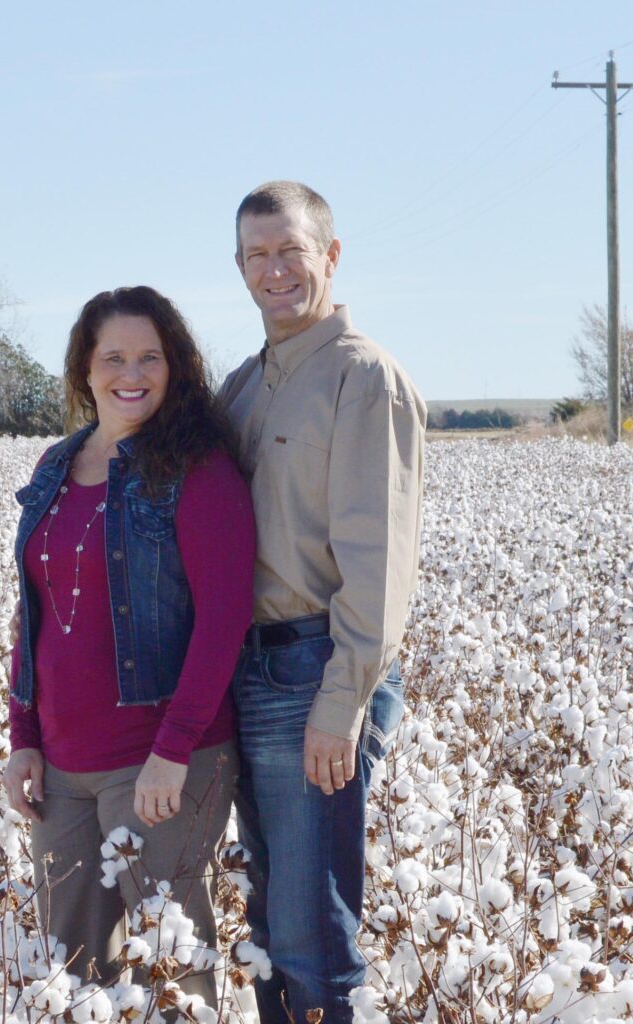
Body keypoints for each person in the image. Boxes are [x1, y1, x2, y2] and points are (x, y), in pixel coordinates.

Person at [2, 286, 255, 1001]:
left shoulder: (196, 468)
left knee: (171, 969)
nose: (131, 373)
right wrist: (23, 735)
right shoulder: (56, 463)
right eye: (113, 357)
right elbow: (34, 611)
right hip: (61, 766)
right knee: (70, 973)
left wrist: (173, 748)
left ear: (174, 367)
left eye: (150, 356)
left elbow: (223, 618)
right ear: (85, 368)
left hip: (158, 763)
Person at [218, 182, 426, 1024]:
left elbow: (379, 564)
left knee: (311, 935)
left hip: (316, 674)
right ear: (239, 268)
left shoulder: (361, 377)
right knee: (269, 928)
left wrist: (340, 706)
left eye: (290, 251)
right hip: (250, 671)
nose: (275, 271)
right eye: (256, 256)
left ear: (330, 257)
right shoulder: (244, 383)